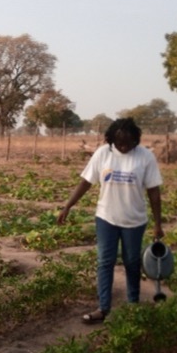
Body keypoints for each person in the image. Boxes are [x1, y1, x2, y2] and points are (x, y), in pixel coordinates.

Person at [58, 117, 164, 324]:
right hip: (106, 217)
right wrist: (68, 205)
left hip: (134, 220)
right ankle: (103, 308)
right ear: (111, 140)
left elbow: (154, 193)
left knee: (132, 262)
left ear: (136, 140)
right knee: (104, 262)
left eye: (128, 143)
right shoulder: (102, 154)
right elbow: (86, 182)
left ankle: (133, 305)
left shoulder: (145, 157)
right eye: (119, 143)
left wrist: (158, 224)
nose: (123, 147)